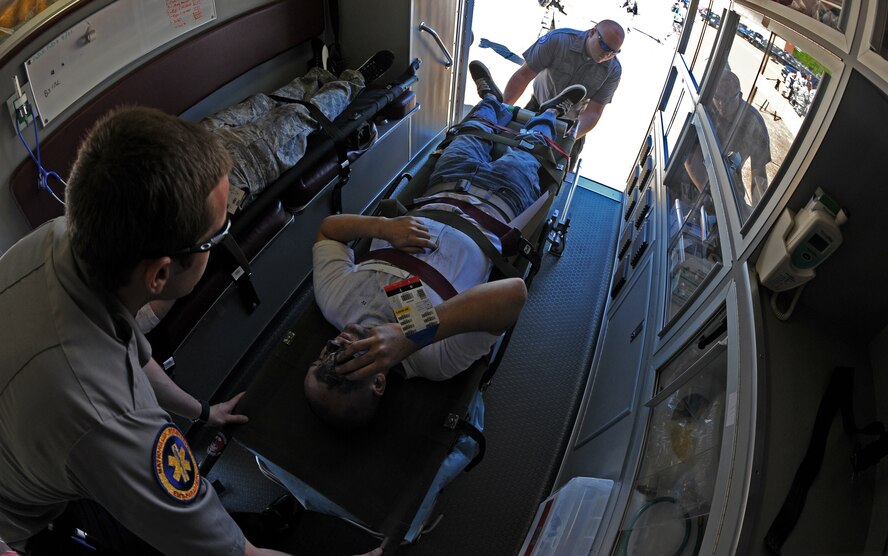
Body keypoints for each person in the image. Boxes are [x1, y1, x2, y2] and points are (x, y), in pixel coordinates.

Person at [0, 106, 380, 556]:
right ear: (160, 276)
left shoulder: (61, 237)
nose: (222, 239)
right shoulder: (113, 419)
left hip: (38, 443)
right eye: (216, 237)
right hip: (24, 523)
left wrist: (204, 413)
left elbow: (134, 355)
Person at [303, 62, 588, 429]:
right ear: (378, 382)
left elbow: (328, 231)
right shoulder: (433, 358)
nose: (335, 347)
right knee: (528, 152)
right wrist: (410, 337)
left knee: (470, 133)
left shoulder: (335, 301)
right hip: (499, 205)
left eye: (321, 358)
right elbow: (514, 294)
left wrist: (384, 228)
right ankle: (550, 111)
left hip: (441, 189)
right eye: (343, 365)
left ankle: (491, 100)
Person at [202, 51, 393, 212]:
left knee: (264, 102)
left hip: (203, 142)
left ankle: (321, 75)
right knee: (299, 114)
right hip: (241, 168)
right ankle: (355, 81)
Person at [501, 20, 624, 142]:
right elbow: (523, 76)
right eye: (604, 46)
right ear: (592, 33)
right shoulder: (559, 40)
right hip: (536, 108)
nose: (607, 54)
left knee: (555, 160)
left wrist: (570, 138)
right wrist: (502, 109)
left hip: (569, 123)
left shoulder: (613, 70)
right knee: (507, 144)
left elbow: (594, 112)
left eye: (613, 52)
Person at [685, 69, 772, 207]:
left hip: (730, 184)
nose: (721, 104)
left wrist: (757, 212)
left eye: (728, 99)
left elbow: (758, 174)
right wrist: (710, 199)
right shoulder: (705, 109)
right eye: (718, 98)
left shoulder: (754, 125)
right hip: (696, 180)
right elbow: (689, 158)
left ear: (740, 95)